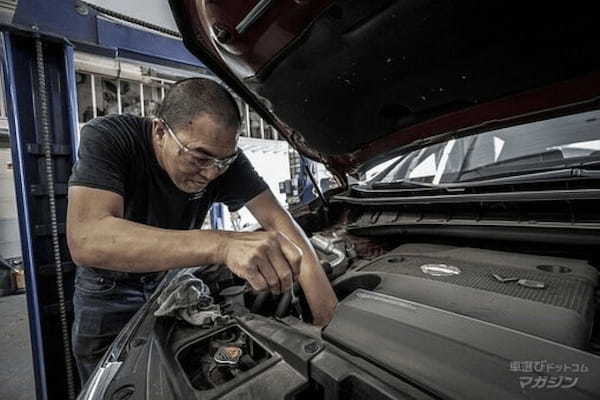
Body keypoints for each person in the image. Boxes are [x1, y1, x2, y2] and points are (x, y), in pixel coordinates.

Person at [66, 78, 337, 384]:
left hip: (172, 282)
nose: (211, 173)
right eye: (199, 158)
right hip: (109, 292)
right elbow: (87, 238)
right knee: (116, 383)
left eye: (223, 162)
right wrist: (223, 245)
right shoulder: (111, 138)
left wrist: (327, 319)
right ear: (159, 131)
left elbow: (281, 223)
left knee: (190, 371)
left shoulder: (222, 160)